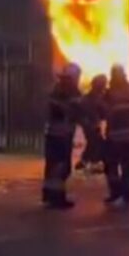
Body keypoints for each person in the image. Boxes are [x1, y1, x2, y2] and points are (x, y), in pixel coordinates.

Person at [42, 63, 82, 209]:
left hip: (52, 132)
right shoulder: (71, 91)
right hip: (62, 134)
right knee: (62, 166)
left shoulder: (55, 89)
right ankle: (58, 198)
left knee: (52, 165)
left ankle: (48, 194)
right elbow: (76, 111)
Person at [102, 65, 129, 204]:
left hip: (115, 136)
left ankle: (118, 192)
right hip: (126, 136)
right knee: (126, 165)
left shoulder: (109, 93)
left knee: (115, 166)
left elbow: (102, 112)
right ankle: (125, 193)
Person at [76, 74, 107, 172]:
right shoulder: (90, 99)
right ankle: (90, 163)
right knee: (96, 143)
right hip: (90, 125)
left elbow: (103, 113)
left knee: (95, 143)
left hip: (92, 125)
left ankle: (84, 162)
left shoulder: (94, 97)